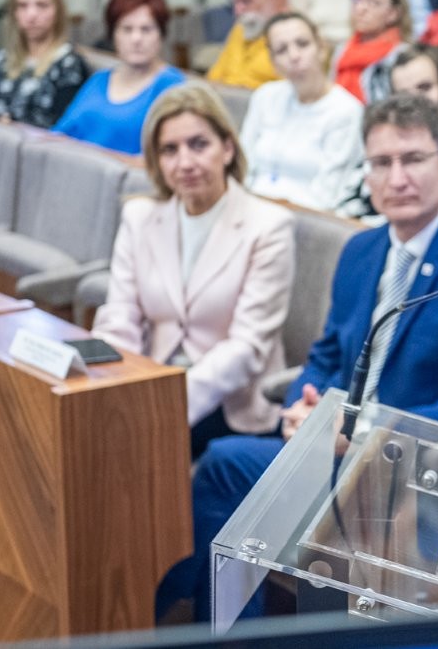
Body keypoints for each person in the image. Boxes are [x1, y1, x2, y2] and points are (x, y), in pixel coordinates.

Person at [161, 93, 438, 622]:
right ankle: (224, 628)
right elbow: (327, 354)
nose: (397, 177)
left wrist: (366, 426)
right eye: (381, 163)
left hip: (409, 473)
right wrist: (300, 405)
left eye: (412, 159)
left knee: (230, 472)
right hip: (333, 454)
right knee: (222, 466)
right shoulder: (360, 251)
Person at [93, 83, 295, 459]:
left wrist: (165, 404)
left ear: (228, 148)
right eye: (169, 150)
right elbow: (120, 316)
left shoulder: (268, 227)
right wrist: (108, 387)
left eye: (198, 144)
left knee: (131, 453)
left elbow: (247, 348)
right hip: (153, 381)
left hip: (229, 401)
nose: (185, 162)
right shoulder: (140, 217)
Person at [340, 45, 438, 220]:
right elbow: (342, 216)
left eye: (425, 87)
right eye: (403, 94)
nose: (415, 102)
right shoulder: (379, 156)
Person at [239, 11, 365, 211]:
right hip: (249, 209)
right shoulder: (265, 97)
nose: (294, 56)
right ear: (273, 63)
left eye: (303, 44)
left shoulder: (346, 111)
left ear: (321, 48)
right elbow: (243, 166)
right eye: (282, 50)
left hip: (306, 221)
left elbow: (329, 194)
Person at [53, 0, 184, 154]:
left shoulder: (173, 87)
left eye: (146, 29)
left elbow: (168, 157)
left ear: (161, 35)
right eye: (127, 29)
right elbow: (59, 135)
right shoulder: (99, 80)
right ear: (113, 36)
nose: (136, 39)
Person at [0, 0, 89, 128]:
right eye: (23, 6)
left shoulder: (69, 65)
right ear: (15, 13)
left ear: (57, 10)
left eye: (42, 5)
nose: (31, 15)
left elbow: (65, 129)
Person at [206, 0, 286, 89]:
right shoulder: (242, 28)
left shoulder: (297, 39)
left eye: (246, 1)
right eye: (235, 1)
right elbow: (213, 79)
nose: (237, 11)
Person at [330, 0, 410, 104]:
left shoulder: (402, 56)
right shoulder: (342, 50)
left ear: (393, 13)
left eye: (373, 2)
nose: (360, 8)